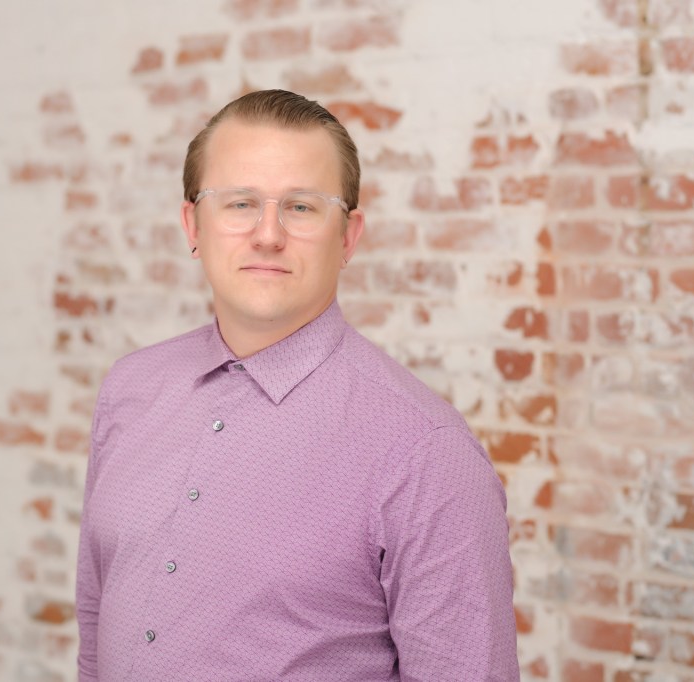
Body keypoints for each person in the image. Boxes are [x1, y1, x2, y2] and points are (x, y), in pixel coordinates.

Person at [75, 89, 519, 680]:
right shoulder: (129, 390)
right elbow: (94, 623)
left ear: (348, 237)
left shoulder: (427, 453)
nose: (267, 234)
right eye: (239, 203)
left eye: (302, 207)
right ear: (193, 224)